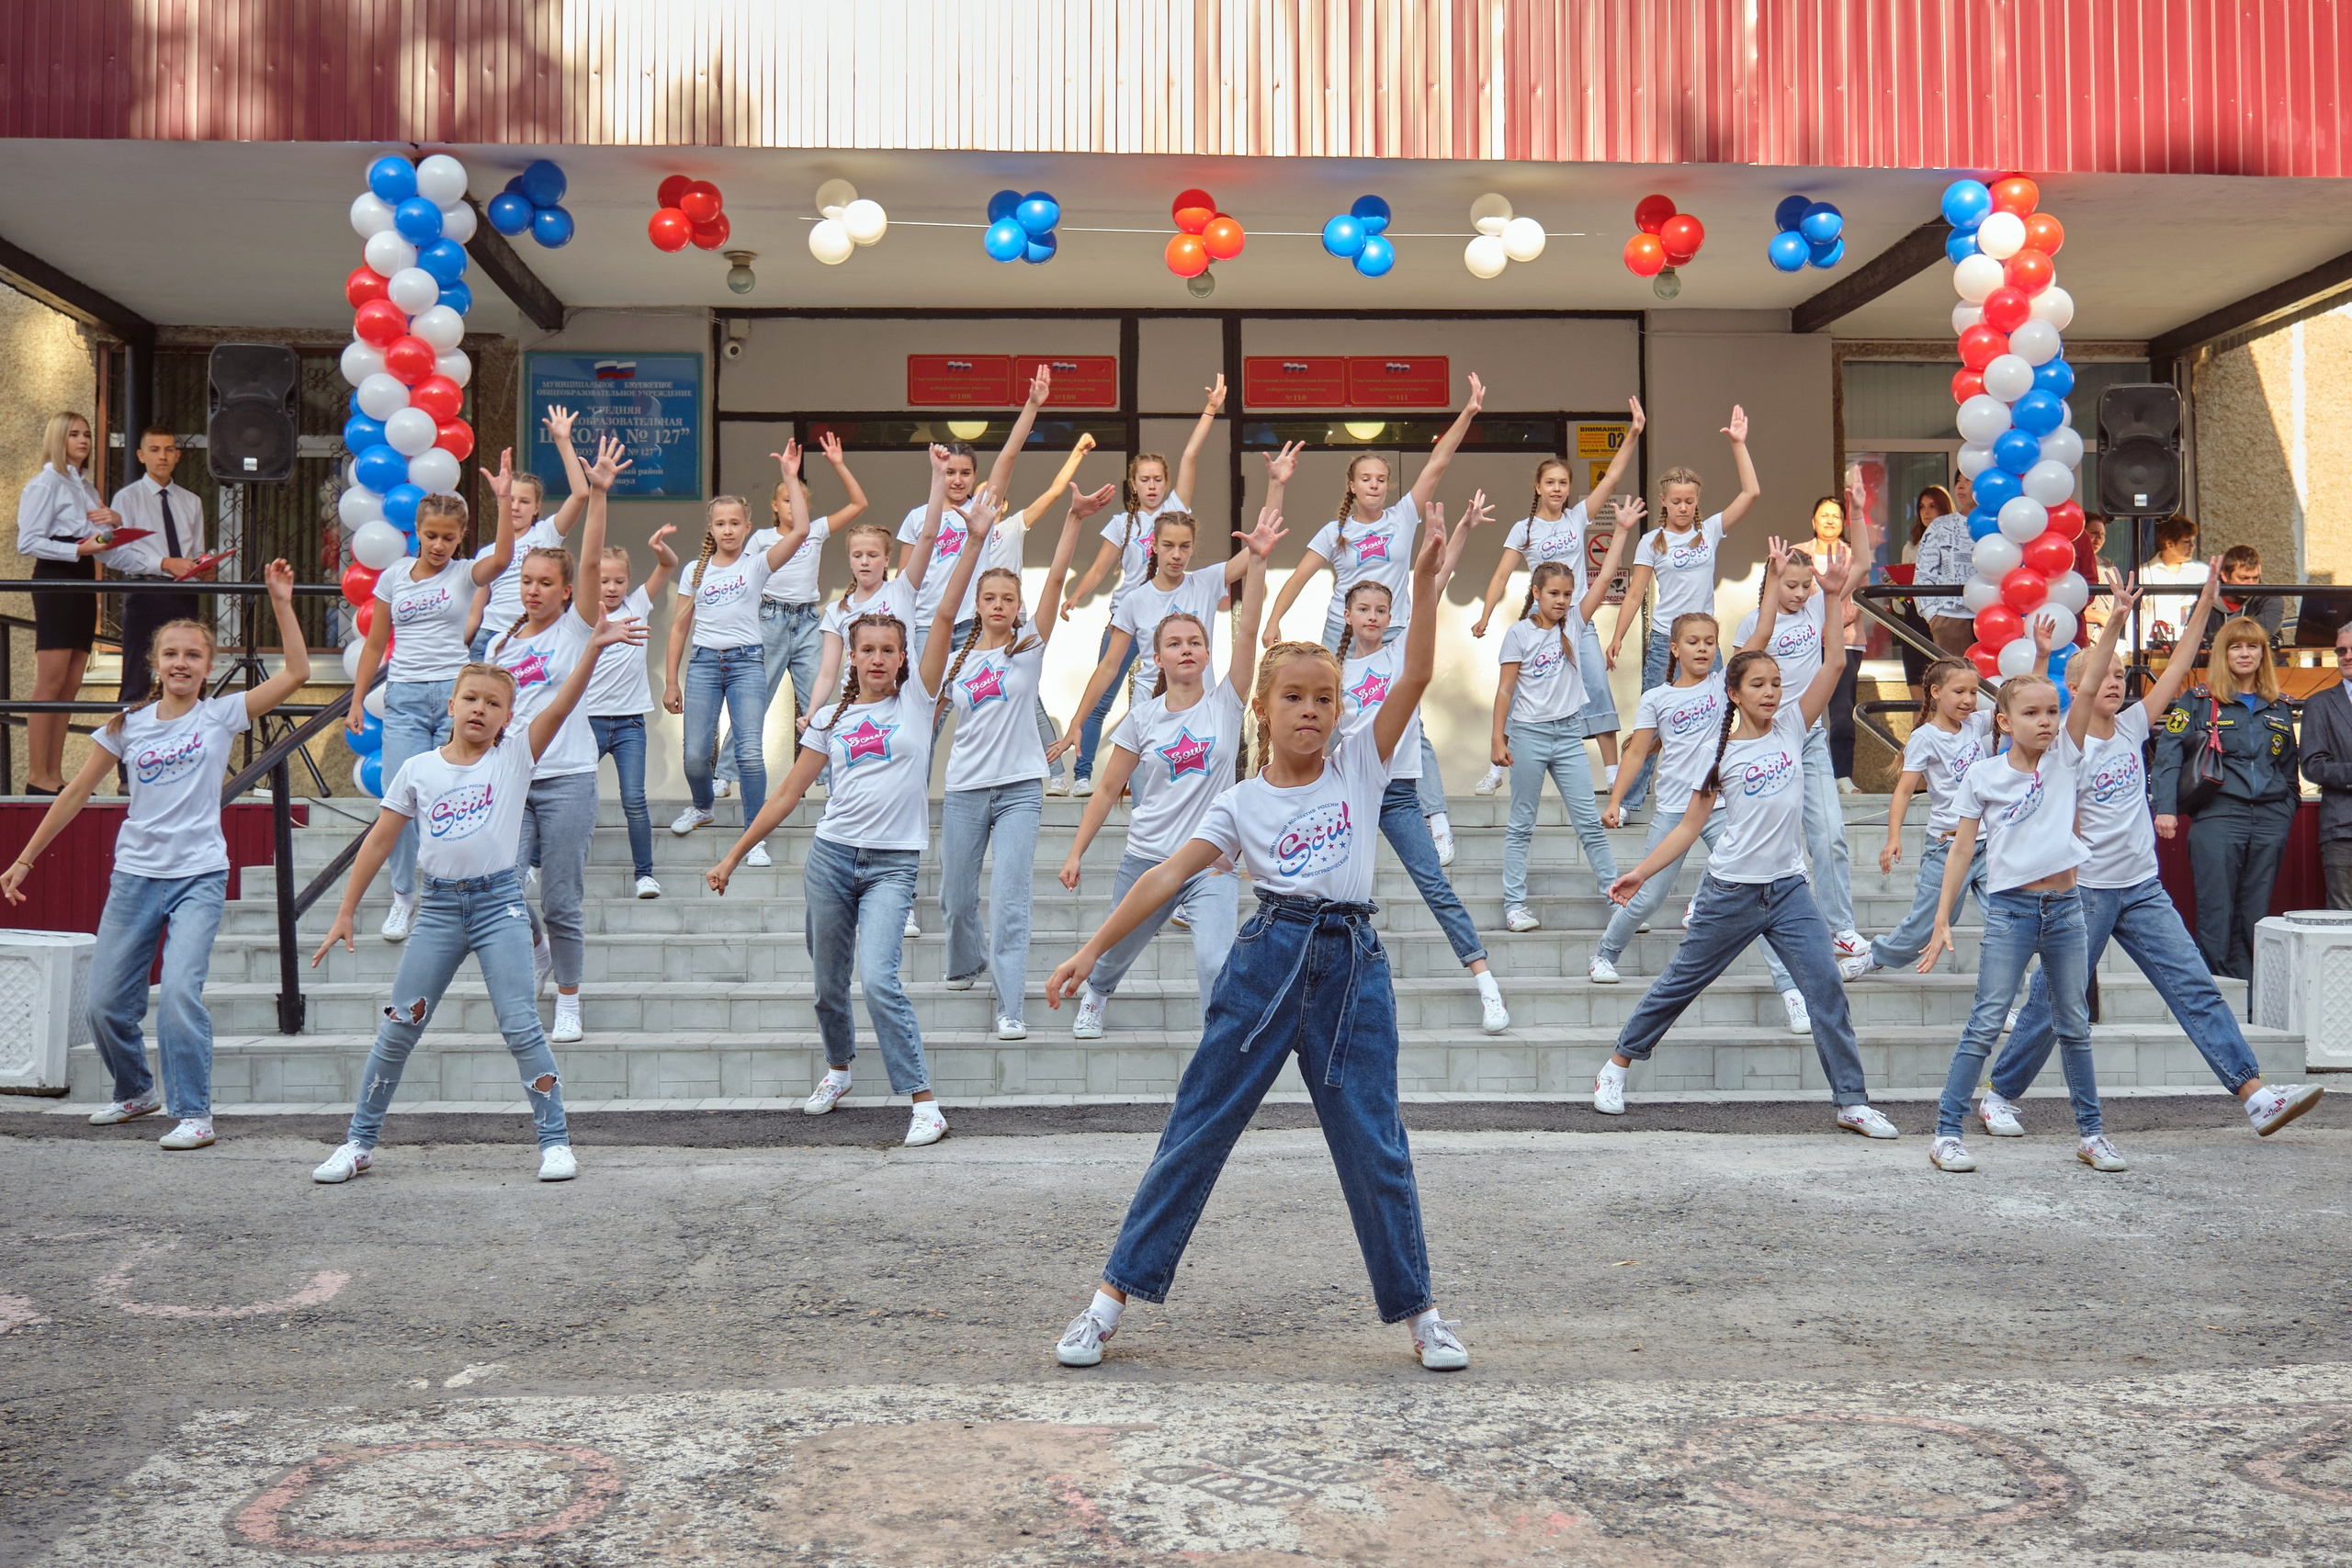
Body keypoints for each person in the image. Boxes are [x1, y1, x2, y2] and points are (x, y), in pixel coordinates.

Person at [1046, 509, 1472, 1374]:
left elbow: (1419, 671)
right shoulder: (1241, 803)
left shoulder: (1360, 761)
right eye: (1294, 699)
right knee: (1198, 1126)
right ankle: (1107, 1302)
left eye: (1325, 698)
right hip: (1270, 956)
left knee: (1375, 1141)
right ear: (1265, 710)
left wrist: (1424, 585)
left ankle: (1421, 1312)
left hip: (1351, 967)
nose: (1311, 712)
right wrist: (1095, 950)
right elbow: (1166, 876)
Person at [706, 467, 998, 1149]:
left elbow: (949, 610)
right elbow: (786, 793)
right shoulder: (830, 720)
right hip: (831, 860)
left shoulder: (920, 701)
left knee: (879, 977)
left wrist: (975, 541)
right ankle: (838, 1066)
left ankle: (923, 1100)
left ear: (902, 657)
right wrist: (733, 852)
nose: (876, 659)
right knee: (827, 984)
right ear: (854, 655)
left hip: (893, 865)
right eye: (866, 650)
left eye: (887, 650)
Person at [1989, 572, 2326, 1140]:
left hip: (2142, 887)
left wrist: (2205, 603)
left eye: (2123, 674)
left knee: (2194, 986)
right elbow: (2085, 676)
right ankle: (1999, 1095)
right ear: (2079, 687)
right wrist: (2115, 620)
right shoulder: (2070, 744)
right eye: (2105, 675)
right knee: (2055, 999)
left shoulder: (2132, 726)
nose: (2116, 683)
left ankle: (2256, 1095)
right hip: (2088, 891)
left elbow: (2180, 664)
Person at [311, 620, 643, 1185]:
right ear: (451, 703)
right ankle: (358, 1143)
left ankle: (555, 1142)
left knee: (520, 1026)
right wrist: (345, 910)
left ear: (507, 717)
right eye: (471, 698)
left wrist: (590, 649)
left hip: (500, 909)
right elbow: (380, 839)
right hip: (438, 912)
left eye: (494, 703)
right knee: (398, 1026)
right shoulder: (419, 769)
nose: (480, 710)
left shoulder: (513, 758)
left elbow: (561, 708)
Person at [1593, 537, 1898, 1137]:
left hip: (1787, 890)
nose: (1770, 691)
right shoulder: (1720, 750)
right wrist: (1641, 872)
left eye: (1776, 682)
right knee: (1681, 983)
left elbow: (1834, 666)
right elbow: (1687, 825)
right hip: (1730, 890)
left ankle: (1852, 1100)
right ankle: (1617, 1063)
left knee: (1827, 991)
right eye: (1757, 683)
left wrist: (1834, 599)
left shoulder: (1791, 724)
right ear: (1734, 693)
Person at [1, 560, 310, 1150]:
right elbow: (75, 792)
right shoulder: (128, 724)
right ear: (154, 662)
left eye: (193, 655)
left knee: (179, 995)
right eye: (171, 654)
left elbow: (297, 672)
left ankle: (194, 1113)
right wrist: (25, 858)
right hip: (135, 876)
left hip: (197, 875)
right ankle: (136, 1091)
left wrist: (281, 602)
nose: (181, 664)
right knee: (103, 1004)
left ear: (207, 666)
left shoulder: (221, 714)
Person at [1052, 507, 1283, 1040]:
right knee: (1114, 951)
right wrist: (1076, 851)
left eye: (1195, 643)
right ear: (1156, 656)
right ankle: (1098, 993)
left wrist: (1259, 564)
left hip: (1211, 862)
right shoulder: (1142, 717)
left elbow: (1248, 628)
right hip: (1148, 859)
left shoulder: (1226, 703)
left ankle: (1218, 1045)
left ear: (1206, 654)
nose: (1186, 649)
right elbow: (1109, 788)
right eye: (1174, 643)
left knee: (1215, 960)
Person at [1917, 608, 2120, 1172]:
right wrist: (1941, 920)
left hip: (2066, 909)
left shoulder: (2064, 756)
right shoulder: (1983, 776)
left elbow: (2088, 685)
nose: (2047, 722)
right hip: (2010, 912)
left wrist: (2116, 621)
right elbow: (1961, 850)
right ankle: (1946, 1134)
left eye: (2052, 712)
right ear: (2003, 722)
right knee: (1986, 1020)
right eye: (2031, 714)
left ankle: (2092, 1134)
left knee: (2074, 1023)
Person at [1261, 378, 1487, 859]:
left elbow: (1438, 462)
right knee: (1329, 718)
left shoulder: (1404, 516)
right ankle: (1316, 812)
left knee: (1412, 727)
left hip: (1397, 628)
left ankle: (1436, 819)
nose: (1374, 486)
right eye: (1366, 479)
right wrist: (1273, 621)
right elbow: (1299, 576)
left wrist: (1467, 413)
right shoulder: (1335, 530)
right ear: (1352, 484)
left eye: (1381, 480)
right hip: (1339, 633)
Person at [1338, 499, 1511, 1035]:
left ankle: (1486, 984)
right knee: (1341, 893)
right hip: (1349, 792)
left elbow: (1431, 583)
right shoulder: (1333, 670)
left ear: (1389, 618)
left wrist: (1456, 529)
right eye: (1363, 609)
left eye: (1380, 611)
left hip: (1398, 794)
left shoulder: (1401, 655)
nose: (1372, 617)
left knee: (1434, 884)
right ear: (1347, 615)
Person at [1592, 611, 1804, 1032]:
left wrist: (1775, 579)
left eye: (1710, 641)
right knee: (1649, 896)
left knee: (1757, 893)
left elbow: (1758, 639)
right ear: (1674, 649)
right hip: (1675, 809)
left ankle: (1791, 992)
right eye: (1693, 641)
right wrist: (1616, 799)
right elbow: (1637, 752)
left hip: (1723, 807)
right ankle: (1605, 953)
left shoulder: (1725, 686)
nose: (1703, 648)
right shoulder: (1658, 697)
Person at [933, 479, 1089, 1041]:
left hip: (1021, 785)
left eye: (1008, 600)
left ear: (1017, 607)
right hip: (967, 788)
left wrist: (1072, 520)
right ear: (977, 604)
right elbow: (923, 723)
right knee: (955, 897)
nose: (999, 606)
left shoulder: (1028, 648)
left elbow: (1053, 582)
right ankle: (966, 960)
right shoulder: (954, 660)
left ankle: (1009, 1005)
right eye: (989, 599)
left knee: (1011, 899)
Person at [486, 434, 627, 1044]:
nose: (534, 590)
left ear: (566, 591)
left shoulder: (575, 630)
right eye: (527, 582)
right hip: (511, 781)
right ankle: (537, 951)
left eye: (546, 582)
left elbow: (592, 562)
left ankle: (569, 997)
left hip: (568, 778)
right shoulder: (501, 645)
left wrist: (596, 495)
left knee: (562, 896)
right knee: (500, 887)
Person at [346, 458, 523, 940]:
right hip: (402, 697)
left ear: (460, 536)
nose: (439, 544)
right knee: (397, 800)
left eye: (448, 536)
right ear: (417, 533)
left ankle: (450, 889)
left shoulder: (466, 574)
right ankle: (403, 895)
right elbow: (377, 644)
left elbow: (504, 560)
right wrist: (358, 699)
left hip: (453, 695)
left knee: (451, 796)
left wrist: (504, 500)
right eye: (431, 535)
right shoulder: (395, 577)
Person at [1472, 396, 1649, 798]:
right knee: (1516, 693)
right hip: (1537, 623)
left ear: (1569, 489)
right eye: (1550, 482)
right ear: (1538, 487)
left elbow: (1612, 479)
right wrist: (1485, 615)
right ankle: (1496, 767)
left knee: (1596, 689)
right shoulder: (1524, 528)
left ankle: (1612, 778)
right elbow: (1501, 574)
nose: (1557, 488)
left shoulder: (1578, 516)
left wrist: (1634, 432)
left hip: (1575, 621)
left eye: (1563, 483)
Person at [1060, 378, 1227, 797]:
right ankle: (1083, 774)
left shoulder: (1175, 510)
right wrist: (1076, 596)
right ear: (1132, 484)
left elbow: (1190, 455)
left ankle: (1163, 772)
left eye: (1157, 479)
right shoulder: (1123, 523)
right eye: (1144, 480)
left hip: (1168, 618)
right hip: (1130, 615)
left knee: (1161, 694)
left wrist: (1210, 410)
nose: (1151, 486)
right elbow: (1100, 569)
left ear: (1165, 483)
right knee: (1104, 694)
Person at [1605, 408, 1762, 811]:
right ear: (1663, 501)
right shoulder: (1652, 542)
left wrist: (1739, 445)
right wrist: (1618, 637)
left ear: (1697, 503)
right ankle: (1629, 799)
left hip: (1706, 642)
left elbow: (1751, 494)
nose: (1683, 507)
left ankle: (1720, 788)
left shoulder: (1708, 530)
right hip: (1665, 643)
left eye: (1690, 501)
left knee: (1725, 711)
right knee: (1652, 720)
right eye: (1676, 501)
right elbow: (1636, 592)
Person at [1492, 505, 1636, 933]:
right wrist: (1497, 740)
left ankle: (1617, 902)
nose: (1562, 601)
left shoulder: (1575, 621)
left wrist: (1623, 531)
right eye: (1554, 594)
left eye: (1567, 594)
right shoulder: (1518, 634)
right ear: (1536, 592)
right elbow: (1504, 691)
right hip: (1529, 736)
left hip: (1568, 736)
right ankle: (1515, 905)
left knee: (1589, 824)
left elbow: (1607, 575)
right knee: (1521, 824)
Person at [659, 457, 816, 843]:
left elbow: (800, 533)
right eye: (720, 523)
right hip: (703, 665)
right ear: (711, 528)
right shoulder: (696, 571)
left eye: (735, 523)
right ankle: (701, 805)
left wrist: (790, 478)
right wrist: (670, 682)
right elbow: (679, 627)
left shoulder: (758, 564)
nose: (728, 530)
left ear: (747, 528)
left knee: (749, 753)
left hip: (747, 664)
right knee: (695, 756)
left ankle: (754, 834)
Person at [1736, 528, 1871, 963]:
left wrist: (1859, 513)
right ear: (1773, 582)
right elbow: (1738, 682)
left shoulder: (1817, 607)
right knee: (1759, 838)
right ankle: (1713, 900)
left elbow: (1863, 567)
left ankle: (1841, 929)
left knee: (1829, 834)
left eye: (1804, 585)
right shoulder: (1752, 625)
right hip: (1764, 741)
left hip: (1809, 738)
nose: (1798, 593)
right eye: (1788, 585)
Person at [712, 433, 868, 799]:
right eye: (787, 499)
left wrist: (838, 464)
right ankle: (726, 772)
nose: (794, 507)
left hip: (808, 621)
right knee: (753, 700)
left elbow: (859, 503)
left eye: (799, 501)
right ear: (775, 505)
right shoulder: (762, 539)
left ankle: (830, 776)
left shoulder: (814, 531)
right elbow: (741, 579)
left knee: (821, 699)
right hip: (769, 619)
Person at [2153, 608, 2300, 981]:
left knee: (2256, 913)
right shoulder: (2199, 700)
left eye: (2253, 647)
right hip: (2219, 816)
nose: (2245, 654)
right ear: (2224, 653)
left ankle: (2251, 993)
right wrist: (2165, 808)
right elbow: (2168, 754)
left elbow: (2288, 767)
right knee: (2217, 910)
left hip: (2270, 819)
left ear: (2264, 655)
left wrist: (2287, 808)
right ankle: (2219, 995)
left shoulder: (2280, 706)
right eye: (2236, 647)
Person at [1842, 658, 1993, 982]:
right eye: (1960, 691)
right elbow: (1904, 791)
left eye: (1974, 691)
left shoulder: (1976, 724)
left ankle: (2004, 998)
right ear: (1936, 692)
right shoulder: (1926, 737)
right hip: (1947, 847)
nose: (1969, 699)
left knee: (2008, 922)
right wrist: (1893, 837)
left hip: (1989, 845)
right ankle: (1876, 956)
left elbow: (2018, 705)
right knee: (1927, 924)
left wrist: (2039, 654)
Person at [16, 412, 114, 795]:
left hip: (83, 575)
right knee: (51, 679)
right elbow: (28, 542)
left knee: (72, 679)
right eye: (74, 434)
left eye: (87, 434)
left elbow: (98, 539)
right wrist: (79, 548)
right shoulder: (45, 484)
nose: (84, 440)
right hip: (56, 575)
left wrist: (113, 529)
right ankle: (37, 775)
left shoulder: (86, 487)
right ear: (58, 439)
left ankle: (54, 774)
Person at [584, 526, 678, 900]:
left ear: (629, 582)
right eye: (604, 580)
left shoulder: (637, 605)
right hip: (588, 721)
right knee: (570, 794)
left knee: (634, 799)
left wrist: (658, 546)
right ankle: (538, 861)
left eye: (619, 580)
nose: (611, 587)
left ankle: (645, 875)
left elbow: (668, 565)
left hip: (629, 725)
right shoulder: (583, 615)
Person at [464, 405, 590, 660]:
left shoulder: (545, 535)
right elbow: (475, 612)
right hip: (490, 637)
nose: (515, 507)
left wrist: (563, 441)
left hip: (535, 633)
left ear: (537, 508)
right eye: (510, 499)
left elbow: (580, 494)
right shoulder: (487, 553)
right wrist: (454, 647)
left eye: (524, 502)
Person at [106, 426, 209, 705]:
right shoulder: (127, 499)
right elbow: (115, 555)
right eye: (154, 450)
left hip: (184, 595)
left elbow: (196, 552)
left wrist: (204, 569)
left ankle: (184, 742)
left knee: (187, 674)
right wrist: (163, 563)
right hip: (145, 592)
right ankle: (130, 745)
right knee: (136, 678)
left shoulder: (192, 501)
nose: (162, 457)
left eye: (168, 450)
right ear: (141, 455)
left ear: (178, 456)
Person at [1804, 493, 1871, 794]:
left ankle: (1842, 775)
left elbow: (1858, 601)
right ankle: (1803, 774)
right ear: (1813, 521)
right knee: (1802, 709)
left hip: (1844, 641)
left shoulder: (1853, 557)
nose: (1830, 520)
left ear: (1844, 523)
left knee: (1842, 710)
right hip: (1801, 643)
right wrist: (1811, 626)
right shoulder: (1797, 554)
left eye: (1836, 516)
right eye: (1824, 515)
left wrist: (1826, 624)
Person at [2299, 616, 2352, 909]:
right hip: (2343, 830)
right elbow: (2312, 765)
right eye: (2341, 651)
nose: (2347, 656)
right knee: (2344, 925)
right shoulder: (2319, 704)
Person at [1896, 485, 1956, 701]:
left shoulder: (1957, 540)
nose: (1926, 512)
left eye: (1933, 506)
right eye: (1921, 507)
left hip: (1946, 615)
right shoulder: (1911, 547)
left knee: (1946, 686)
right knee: (1917, 693)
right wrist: (1899, 590)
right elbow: (1899, 605)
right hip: (1915, 616)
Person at [1913, 480, 1978, 658]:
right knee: (1954, 680)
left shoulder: (2000, 524)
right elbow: (1924, 573)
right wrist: (1933, 617)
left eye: (1968, 480)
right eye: (1958, 481)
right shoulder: (1940, 525)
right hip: (1950, 617)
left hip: (1995, 617)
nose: (1961, 486)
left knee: (1993, 682)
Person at [2138, 513, 2208, 646]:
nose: (2192, 546)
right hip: (2154, 649)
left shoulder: (2202, 572)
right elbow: (2134, 616)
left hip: (2194, 648)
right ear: (2169, 543)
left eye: (2193, 541)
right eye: (2187, 541)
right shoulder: (2145, 573)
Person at [2214, 545, 2284, 644]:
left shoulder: (2271, 599)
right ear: (2225, 575)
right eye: (2243, 578)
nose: (2251, 584)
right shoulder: (2206, 600)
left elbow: (2256, 636)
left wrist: (2215, 637)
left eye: (2255, 578)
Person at [2077, 513, 2124, 637]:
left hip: (2104, 635)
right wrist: (2101, 618)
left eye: (2102, 534)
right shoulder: (2074, 564)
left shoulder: (2107, 564)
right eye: (2093, 533)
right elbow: (2073, 605)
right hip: (2084, 633)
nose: (2099, 539)